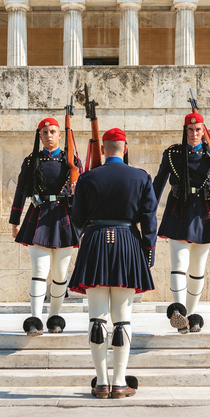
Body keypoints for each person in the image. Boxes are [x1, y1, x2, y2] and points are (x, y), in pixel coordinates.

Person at [69, 128, 158, 399]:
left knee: (97, 318)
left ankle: (101, 383)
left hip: (95, 241)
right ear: (125, 148)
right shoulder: (141, 177)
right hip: (128, 241)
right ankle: (120, 383)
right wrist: (148, 249)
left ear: (104, 149)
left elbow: (76, 218)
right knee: (123, 319)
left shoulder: (88, 178)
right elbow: (150, 219)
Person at [152, 112, 210, 334]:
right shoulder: (173, 154)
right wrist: (146, 209)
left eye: (198, 129)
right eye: (190, 130)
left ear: (203, 131)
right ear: (184, 131)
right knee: (178, 265)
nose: (194, 134)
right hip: (179, 210)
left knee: (197, 270)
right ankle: (179, 310)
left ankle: (189, 315)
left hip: (203, 213)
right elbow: (158, 184)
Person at [10, 118, 83, 336]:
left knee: (60, 275)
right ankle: (35, 318)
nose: (49, 135)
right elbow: (21, 191)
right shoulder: (32, 160)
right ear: (39, 136)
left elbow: (83, 196)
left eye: (52, 131)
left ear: (60, 135)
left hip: (63, 219)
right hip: (38, 217)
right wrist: (15, 220)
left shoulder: (72, 161)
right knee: (39, 271)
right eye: (44, 132)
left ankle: (54, 317)